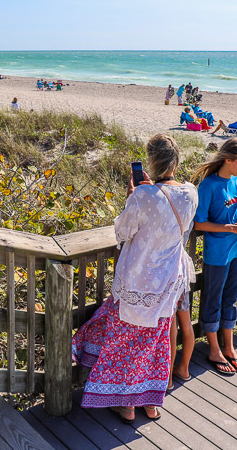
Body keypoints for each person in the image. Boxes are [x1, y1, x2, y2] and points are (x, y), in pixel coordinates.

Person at [73, 134, 198, 424]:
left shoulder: (143, 195)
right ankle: (151, 404)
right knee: (155, 344)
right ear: (176, 161)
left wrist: (132, 196)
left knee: (126, 343)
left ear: (150, 162)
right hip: (169, 281)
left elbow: (123, 232)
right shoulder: (191, 192)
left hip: (138, 280)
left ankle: (127, 405)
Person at [191, 138, 237, 376]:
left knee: (231, 298)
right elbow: (200, 223)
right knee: (213, 300)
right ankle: (214, 349)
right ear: (228, 160)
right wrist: (231, 228)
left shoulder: (236, 180)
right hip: (217, 253)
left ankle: (229, 346)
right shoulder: (209, 186)